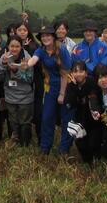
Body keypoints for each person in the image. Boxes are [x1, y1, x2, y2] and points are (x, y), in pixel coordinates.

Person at [25, 26, 73, 157]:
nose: (45, 38)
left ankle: (64, 149)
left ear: (53, 37)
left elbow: (65, 74)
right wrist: (23, 64)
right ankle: (45, 148)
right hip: (50, 87)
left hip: (66, 86)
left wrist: (62, 94)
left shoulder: (62, 50)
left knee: (65, 119)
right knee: (46, 117)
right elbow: (33, 60)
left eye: (48, 35)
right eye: (43, 36)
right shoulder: (41, 50)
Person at [0, 35, 34, 146]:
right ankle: (16, 140)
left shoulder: (27, 58)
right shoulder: (5, 57)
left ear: (21, 47)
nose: (14, 49)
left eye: (17, 46)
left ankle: (25, 143)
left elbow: (30, 78)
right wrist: (3, 64)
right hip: (10, 96)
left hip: (25, 97)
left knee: (25, 122)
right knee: (13, 121)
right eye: (12, 46)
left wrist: (17, 71)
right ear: (8, 46)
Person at [64, 61, 102, 165]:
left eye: (81, 71)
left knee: (93, 143)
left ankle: (97, 160)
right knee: (80, 143)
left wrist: (95, 111)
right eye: (75, 71)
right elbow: (69, 103)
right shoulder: (71, 85)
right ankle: (88, 163)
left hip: (93, 119)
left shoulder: (91, 83)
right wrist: (74, 87)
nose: (78, 74)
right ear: (72, 73)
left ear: (86, 73)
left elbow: (93, 98)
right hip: (80, 119)